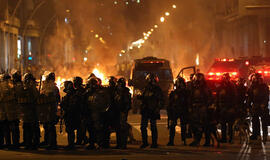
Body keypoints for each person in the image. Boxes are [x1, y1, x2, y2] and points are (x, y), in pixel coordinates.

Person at [85, 77, 111, 149]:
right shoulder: (89, 93)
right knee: (91, 129)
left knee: (99, 129)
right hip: (91, 112)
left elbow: (106, 103)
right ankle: (92, 143)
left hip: (99, 113)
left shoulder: (101, 92)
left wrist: (103, 111)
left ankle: (101, 143)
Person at [140, 73, 164, 148]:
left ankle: (154, 143)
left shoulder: (157, 89)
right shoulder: (146, 88)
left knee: (153, 126)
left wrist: (157, 108)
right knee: (143, 127)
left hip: (153, 109)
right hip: (146, 109)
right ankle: (145, 142)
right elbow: (143, 97)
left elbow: (161, 100)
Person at [188, 73, 212, 146]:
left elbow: (209, 98)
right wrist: (190, 107)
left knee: (205, 125)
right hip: (195, 108)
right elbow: (190, 98)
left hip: (203, 108)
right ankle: (196, 140)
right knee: (195, 125)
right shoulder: (193, 88)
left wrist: (206, 106)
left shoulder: (206, 88)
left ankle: (207, 141)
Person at [38, 72, 60, 150]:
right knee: (46, 125)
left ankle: (52, 143)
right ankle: (47, 141)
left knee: (50, 126)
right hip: (46, 109)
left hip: (51, 109)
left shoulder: (53, 88)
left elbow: (54, 99)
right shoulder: (47, 87)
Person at [18, 73, 40, 149]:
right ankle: (27, 141)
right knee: (26, 126)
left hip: (31, 110)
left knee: (31, 127)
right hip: (27, 110)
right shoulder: (30, 87)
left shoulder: (32, 88)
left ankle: (32, 143)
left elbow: (35, 98)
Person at [247, 73, 269, 143]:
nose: (254, 80)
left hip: (263, 107)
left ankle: (264, 135)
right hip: (255, 106)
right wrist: (248, 106)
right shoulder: (252, 87)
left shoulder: (264, 86)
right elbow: (249, 97)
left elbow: (266, 96)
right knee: (255, 121)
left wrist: (263, 104)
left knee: (264, 122)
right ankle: (255, 134)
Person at [167, 76, 188, 146]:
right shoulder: (173, 93)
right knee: (172, 126)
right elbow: (170, 103)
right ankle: (171, 141)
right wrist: (169, 113)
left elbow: (188, 102)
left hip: (183, 111)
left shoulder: (186, 93)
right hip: (175, 111)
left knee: (183, 126)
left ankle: (183, 140)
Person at [216, 73, 236, 143]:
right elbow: (218, 97)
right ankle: (224, 138)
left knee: (230, 124)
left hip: (229, 107)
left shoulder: (231, 86)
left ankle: (230, 138)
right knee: (223, 124)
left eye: (227, 78)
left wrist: (232, 107)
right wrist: (217, 106)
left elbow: (234, 97)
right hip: (222, 107)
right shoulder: (220, 86)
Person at [60, 81, 80, 149]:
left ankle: (71, 145)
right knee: (69, 130)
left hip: (71, 115)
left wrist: (65, 107)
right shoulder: (69, 95)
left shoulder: (73, 96)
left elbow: (72, 106)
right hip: (69, 114)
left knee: (70, 130)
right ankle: (70, 144)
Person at [114, 78, 131, 149]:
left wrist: (124, 110)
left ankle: (123, 144)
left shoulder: (125, 92)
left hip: (122, 111)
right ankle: (119, 144)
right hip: (117, 111)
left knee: (123, 128)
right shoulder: (117, 91)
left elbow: (127, 103)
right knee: (118, 128)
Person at [73, 77, 87, 145]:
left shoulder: (81, 91)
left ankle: (81, 140)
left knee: (81, 127)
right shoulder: (78, 90)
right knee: (80, 127)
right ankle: (82, 139)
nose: (74, 83)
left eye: (75, 82)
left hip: (81, 111)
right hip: (79, 111)